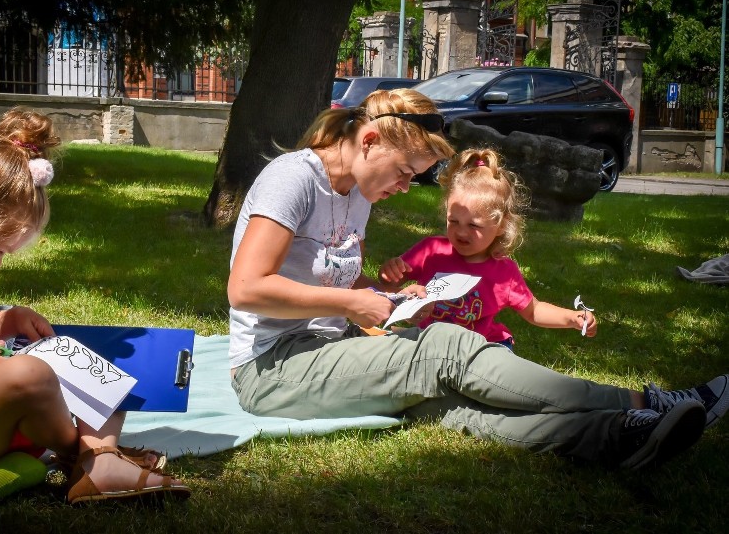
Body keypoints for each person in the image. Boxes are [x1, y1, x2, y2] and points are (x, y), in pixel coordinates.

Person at [226, 88, 729, 470]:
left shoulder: (357, 192)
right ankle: (646, 402)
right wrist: (351, 307)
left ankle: (622, 436)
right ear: (370, 141)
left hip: (328, 347)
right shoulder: (294, 179)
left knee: (452, 404)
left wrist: (381, 297)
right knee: (445, 348)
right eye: (405, 171)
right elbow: (246, 289)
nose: (405, 186)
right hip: (271, 370)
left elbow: (338, 284)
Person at [0, 109, 190, 503]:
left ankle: (99, 457)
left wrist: (7, 321)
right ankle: (92, 457)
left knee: (91, 363)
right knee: (29, 373)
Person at [377, 147, 597, 351]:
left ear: (501, 225)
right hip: (427, 341)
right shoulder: (431, 250)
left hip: (477, 348)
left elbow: (534, 311)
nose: (461, 232)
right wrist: (390, 272)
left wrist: (570, 318)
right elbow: (389, 286)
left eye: (474, 225)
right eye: (453, 221)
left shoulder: (504, 272)